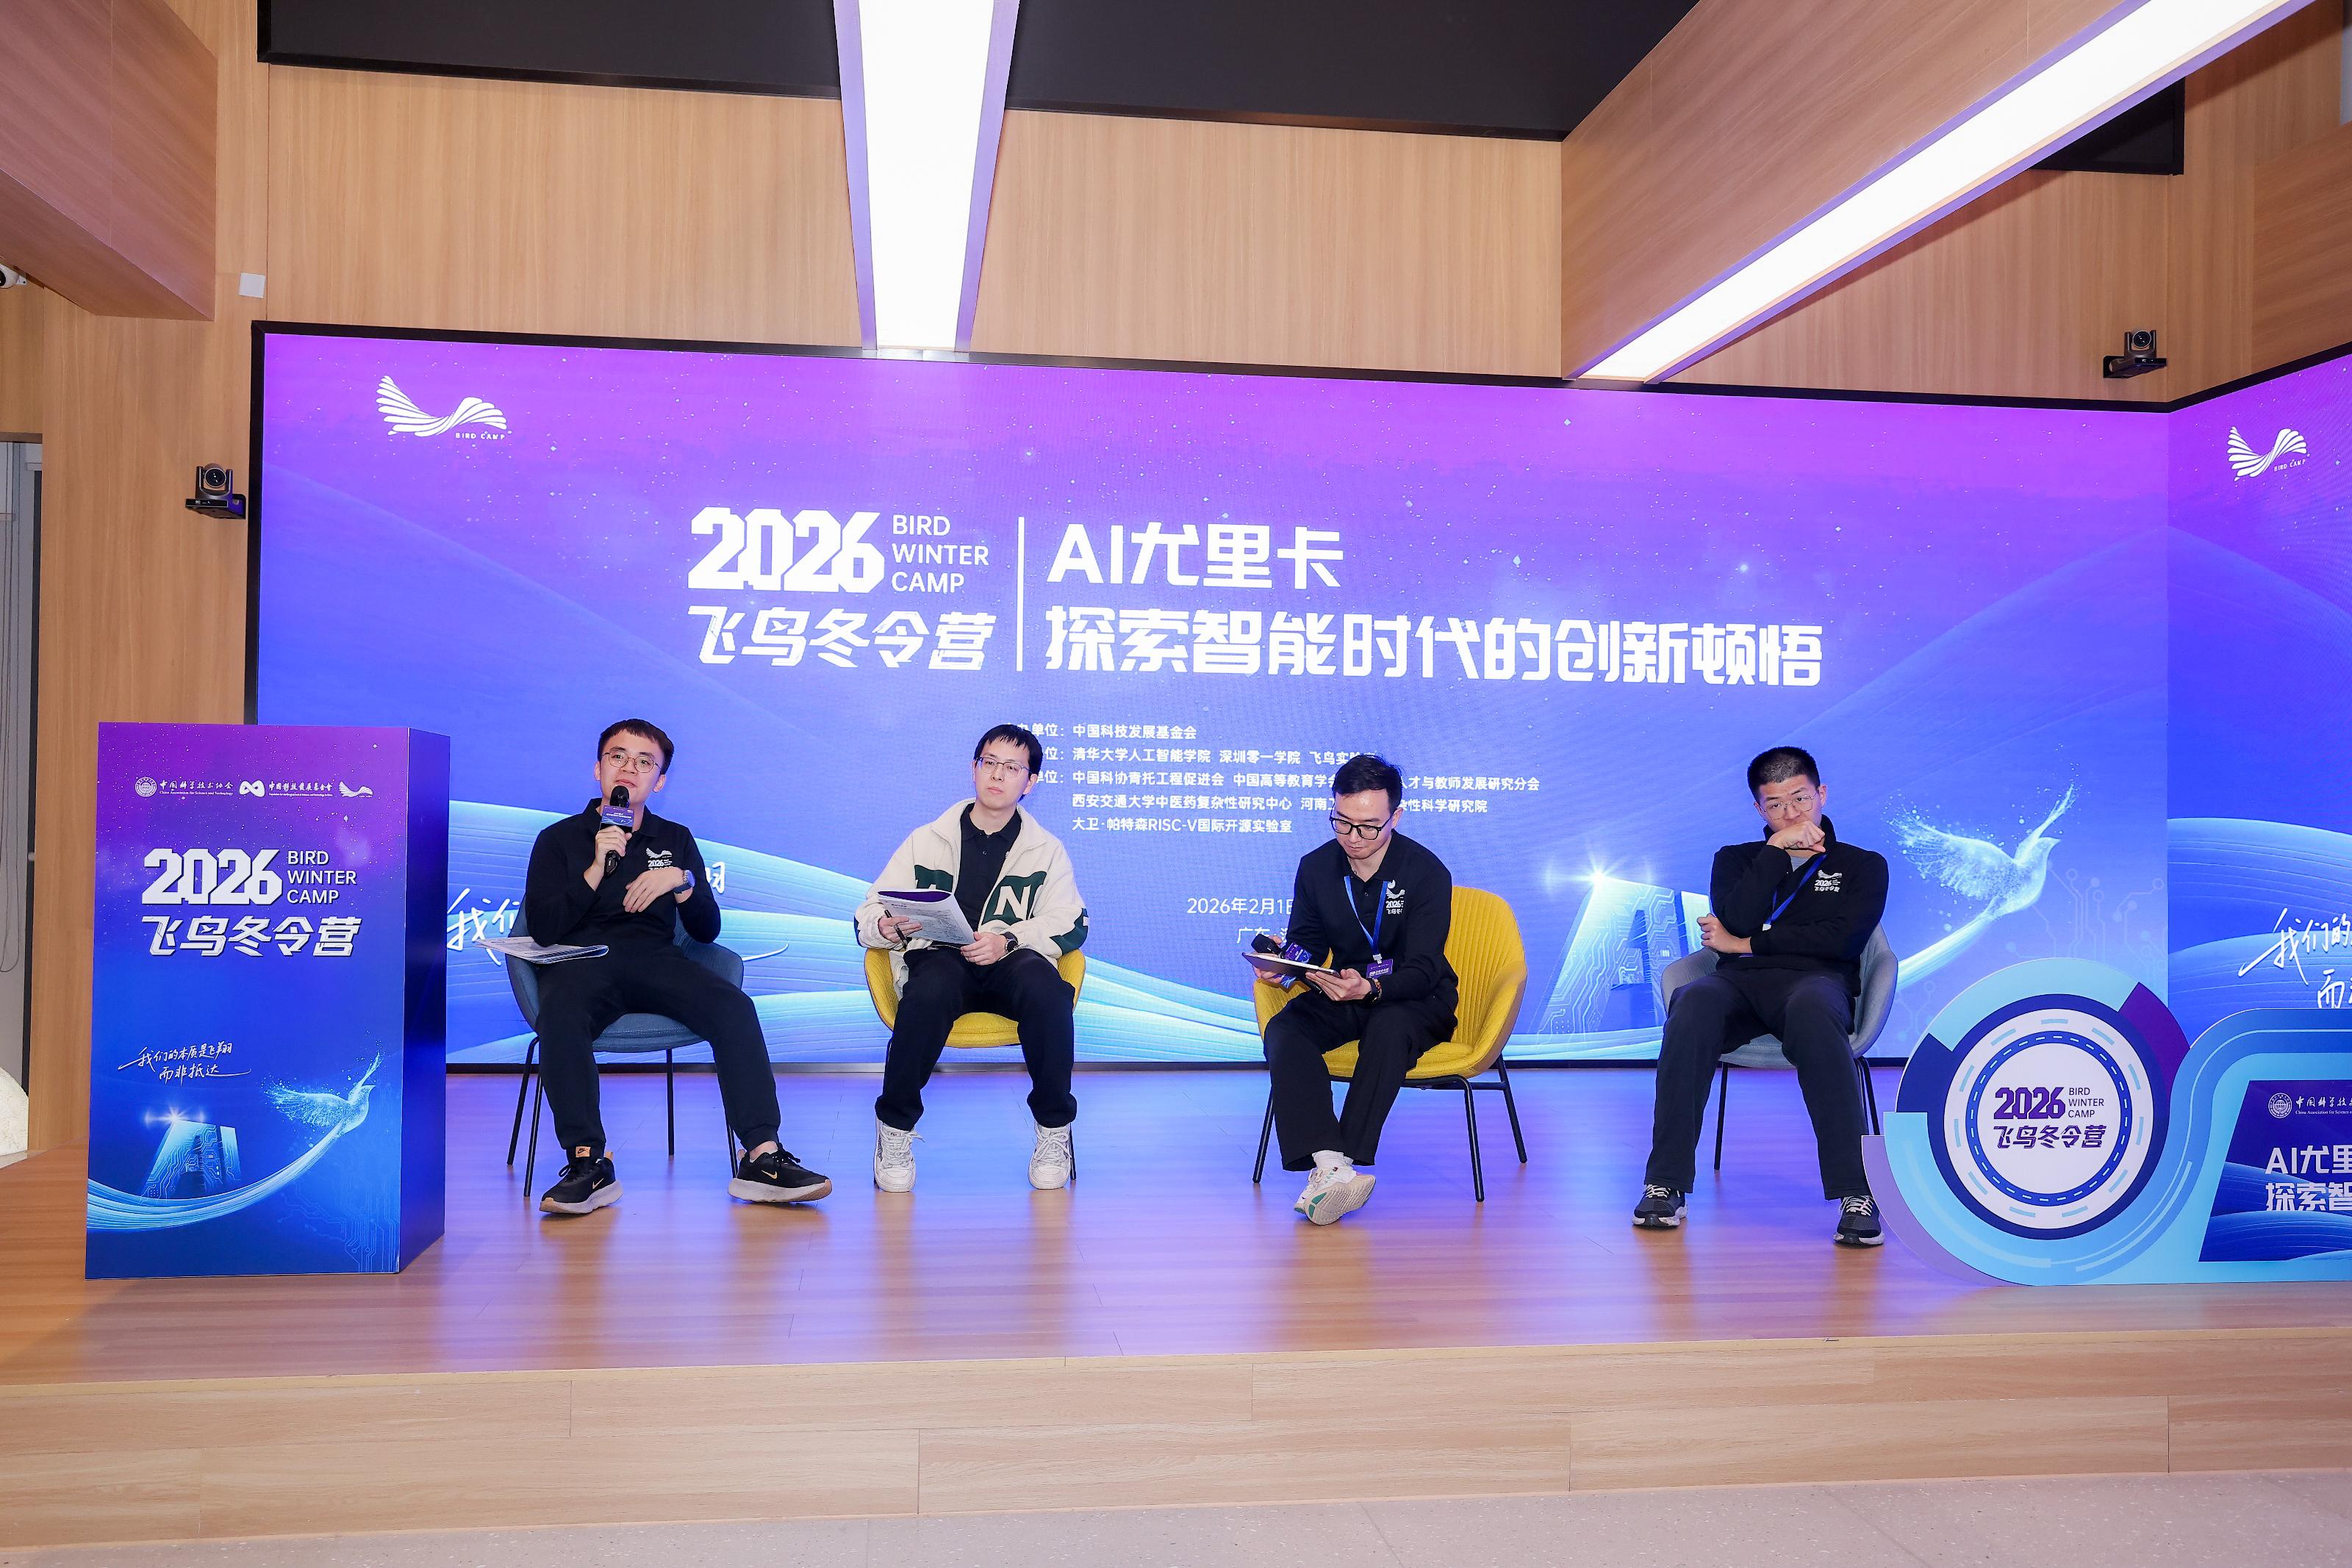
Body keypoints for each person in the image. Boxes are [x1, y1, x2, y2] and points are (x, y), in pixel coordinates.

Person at [521, 719, 831, 1215]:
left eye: (645, 762)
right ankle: (588, 1163)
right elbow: (542, 927)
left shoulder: (675, 839)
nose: (630, 768)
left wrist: (682, 881)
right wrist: (597, 867)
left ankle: (762, 1157)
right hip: (581, 963)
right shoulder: (558, 839)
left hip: (656, 960)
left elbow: (706, 930)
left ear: (659, 781)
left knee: (734, 1008)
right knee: (559, 1016)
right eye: (618, 757)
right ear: (598, 769)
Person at [1635, 745, 1889, 1247]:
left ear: (1822, 793)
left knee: (1814, 1010)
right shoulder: (1736, 860)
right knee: (1692, 1002)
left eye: (1800, 799)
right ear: (1758, 808)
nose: (1791, 814)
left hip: (1817, 982)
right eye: (1776, 805)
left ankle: (1856, 1193)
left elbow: (1841, 942)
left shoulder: (1862, 865)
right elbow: (1737, 917)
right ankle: (1665, 1183)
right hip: (1739, 983)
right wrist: (1775, 852)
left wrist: (1746, 943)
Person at [854, 724, 1089, 1193]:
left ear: (1031, 782)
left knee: (1048, 992)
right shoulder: (927, 838)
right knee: (928, 990)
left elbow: (1071, 922)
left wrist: (1010, 940)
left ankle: (1053, 1130)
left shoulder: (1047, 850)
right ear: (974, 769)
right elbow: (870, 911)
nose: (997, 775)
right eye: (990, 763)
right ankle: (895, 1129)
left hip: (1011, 959)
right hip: (941, 956)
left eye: (1012, 768)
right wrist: (888, 925)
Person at [1256, 754, 1457, 1226]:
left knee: (1388, 1025)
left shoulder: (1426, 872)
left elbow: (1424, 967)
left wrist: (1372, 987)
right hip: (1346, 986)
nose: (1352, 837)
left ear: (1395, 817)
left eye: (1368, 827)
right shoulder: (1316, 867)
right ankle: (1332, 1167)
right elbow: (1308, 943)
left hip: (1415, 996)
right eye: (1342, 822)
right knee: (1287, 1029)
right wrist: (1286, 965)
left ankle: (1342, 1160)